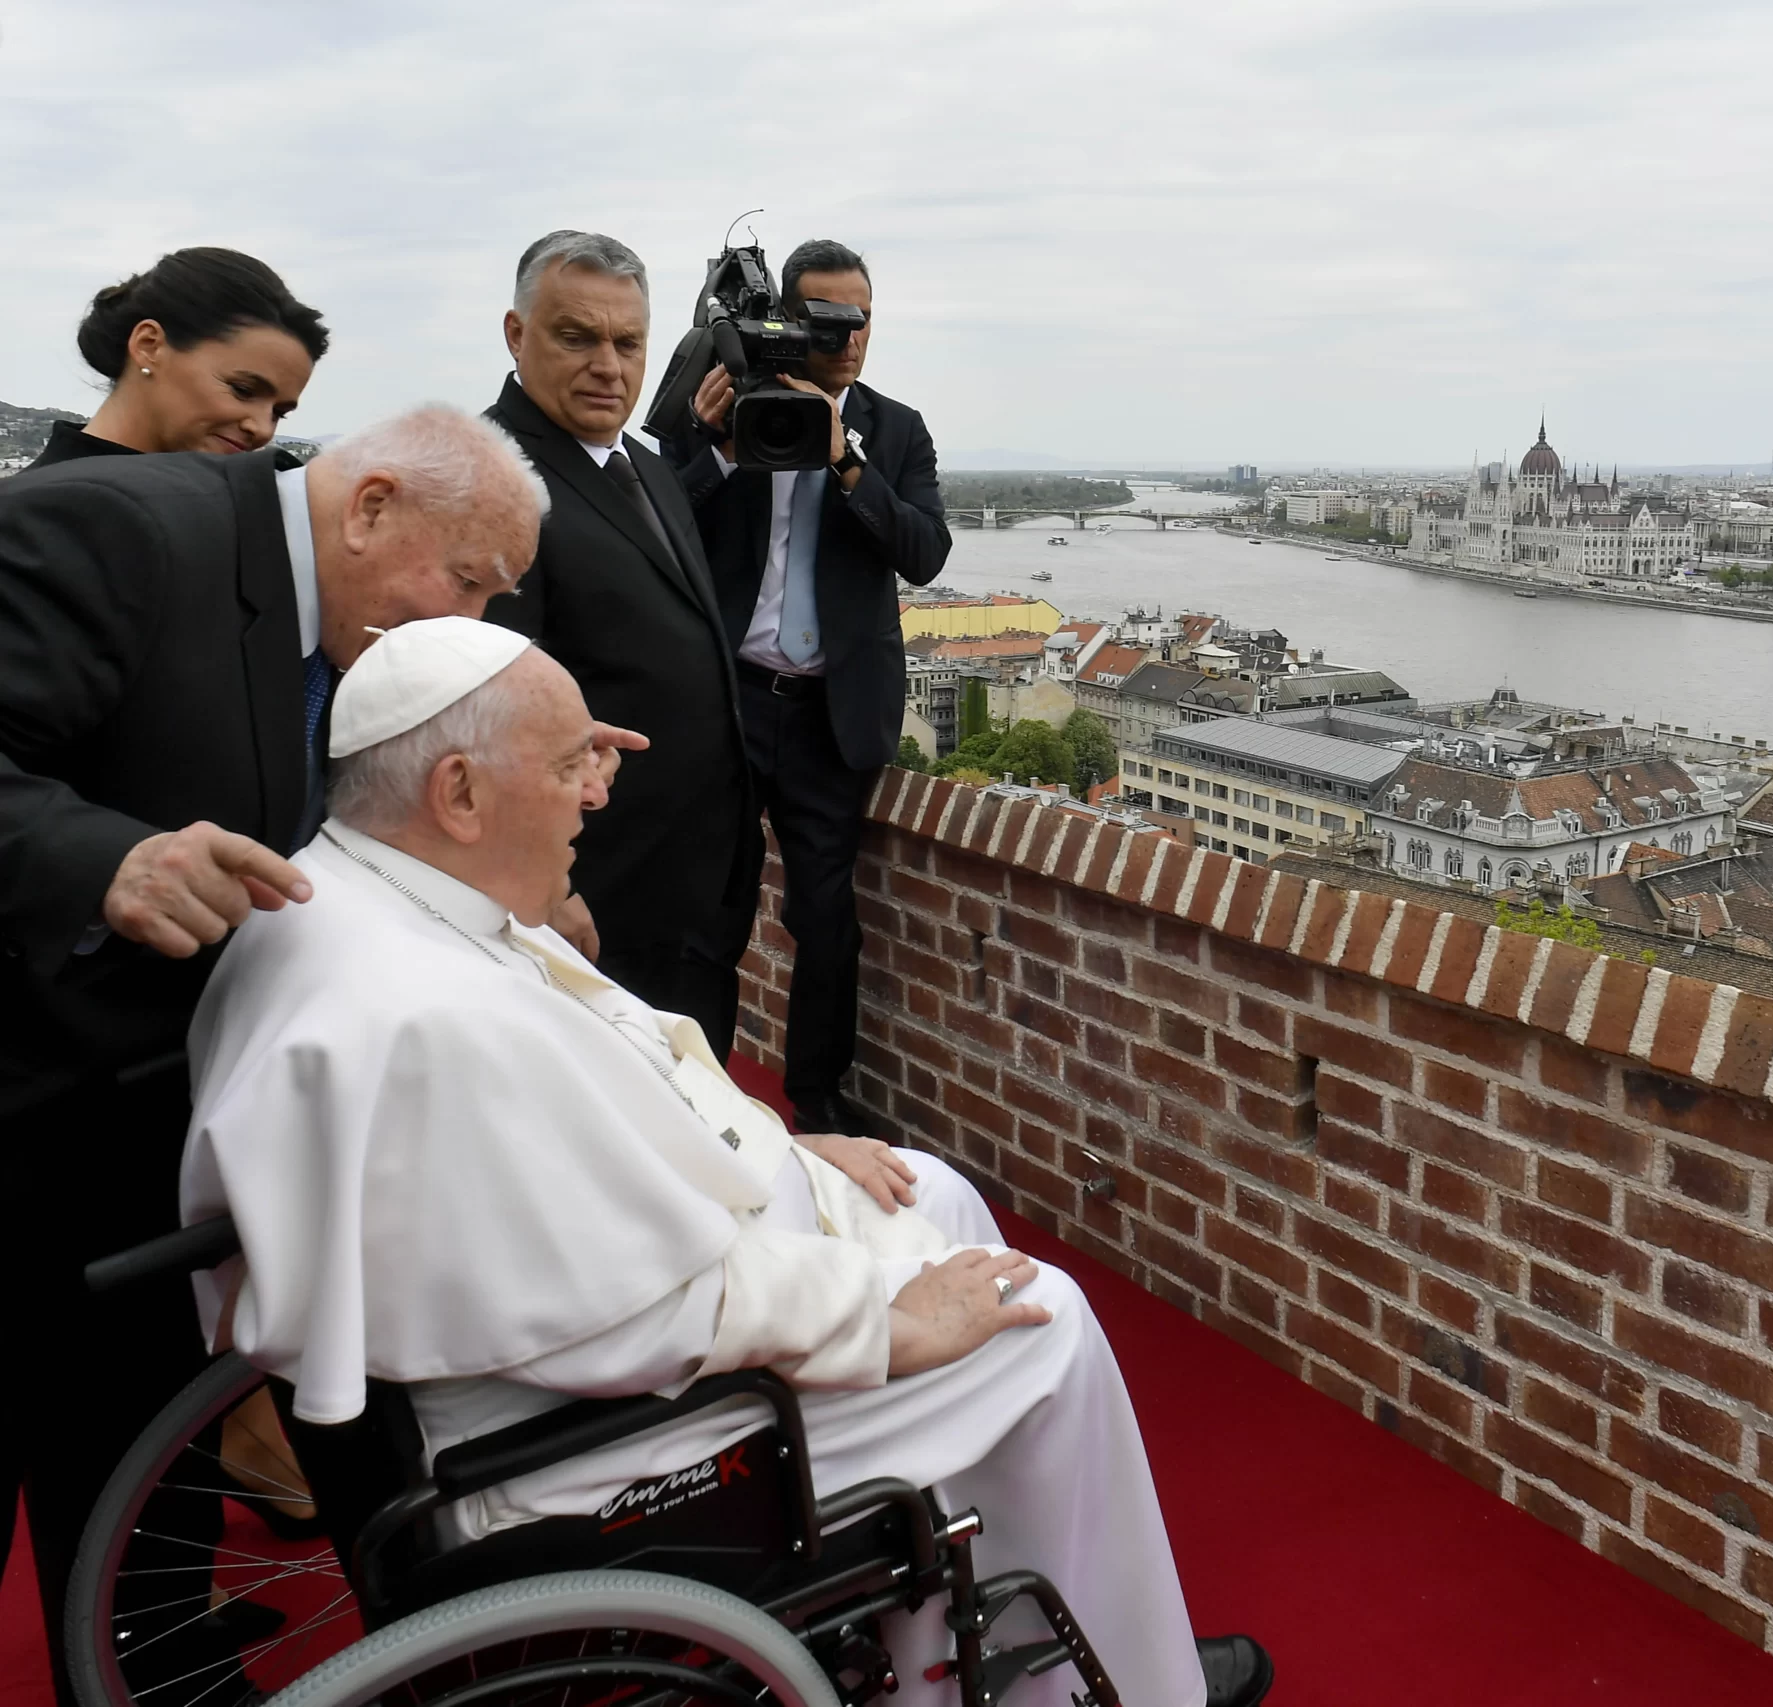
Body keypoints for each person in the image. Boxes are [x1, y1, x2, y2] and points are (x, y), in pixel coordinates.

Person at [180, 618, 1274, 1707]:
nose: (596, 796)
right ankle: (1131, 1688)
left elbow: (575, 1158)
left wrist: (786, 1154)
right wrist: (886, 1325)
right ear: (458, 795)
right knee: (1045, 1323)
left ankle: (943, 1655)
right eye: (570, 766)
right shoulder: (431, 1015)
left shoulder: (346, 896)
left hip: (543, 1355)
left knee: (927, 1188)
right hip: (577, 1441)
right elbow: (641, 1308)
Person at [0, 407, 557, 1682]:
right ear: (368, 508)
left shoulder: (342, 618)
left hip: (162, 1103)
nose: (469, 623)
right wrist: (106, 860)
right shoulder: (114, 531)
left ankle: (161, 1644)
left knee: (143, 1405)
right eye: (465, 581)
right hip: (30, 1100)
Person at [669, 240, 952, 1135]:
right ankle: (698, 1086)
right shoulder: (721, 403)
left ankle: (818, 1100)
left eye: (860, 316)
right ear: (787, 320)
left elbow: (925, 552)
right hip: (733, 699)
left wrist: (847, 460)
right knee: (713, 906)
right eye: (826, 316)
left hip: (832, 714)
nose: (848, 336)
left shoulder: (895, 429)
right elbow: (660, 521)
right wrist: (714, 443)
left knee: (828, 922)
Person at [484, 230, 760, 1049]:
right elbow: (488, 701)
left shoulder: (644, 467)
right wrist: (547, 880)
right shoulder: (494, 479)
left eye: (628, 342)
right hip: (593, 892)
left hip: (693, 887)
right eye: (577, 337)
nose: (609, 365)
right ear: (516, 334)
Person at [31, 247, 329, 470]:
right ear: (149, 346)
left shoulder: (226, 508)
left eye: (278, 412)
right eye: (243, 390)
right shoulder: (30, 520)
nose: (262, 429)